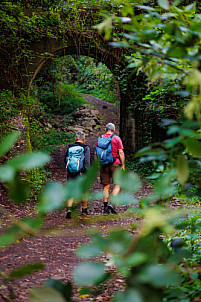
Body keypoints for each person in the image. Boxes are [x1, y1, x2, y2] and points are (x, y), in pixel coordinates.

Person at [95, 123, 125, 214]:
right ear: (114, 130)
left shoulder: (100, 139)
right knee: (117, 184)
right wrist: (123, 165)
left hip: (103, 164)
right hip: (115, 164)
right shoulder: (116, 138)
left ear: (105, 129)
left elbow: (96, 154)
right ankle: (112, 203)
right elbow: (121, 152)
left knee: (106, 186)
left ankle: (105, 208)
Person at [64, 131, 90, 219]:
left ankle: (69, 209)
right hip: (81, 173)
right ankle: (84, 209)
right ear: (84, 138)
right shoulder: (86, 148)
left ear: (75, 139)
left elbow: (65, 160)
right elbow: (87, 163)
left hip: (71, 172)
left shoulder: (70, 147)